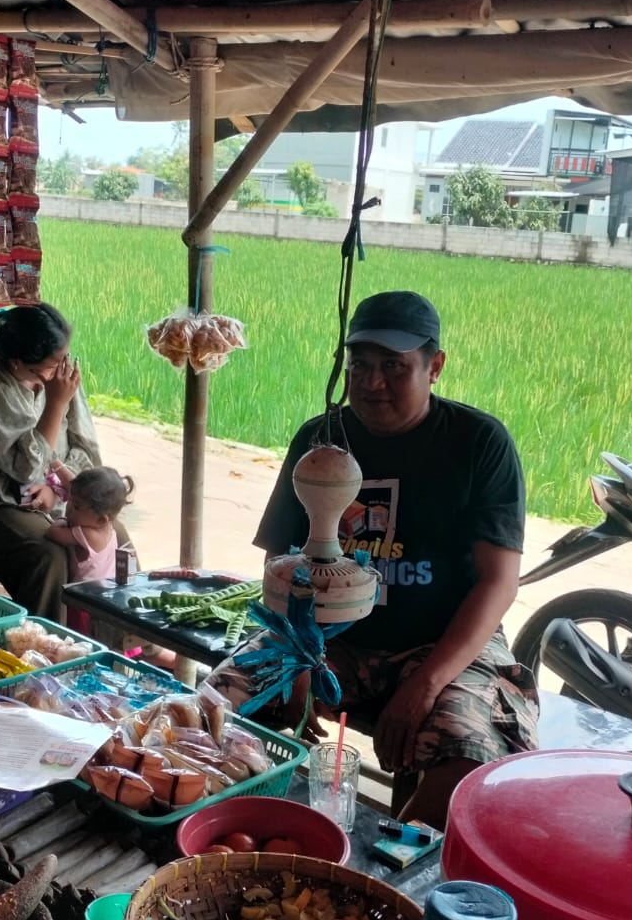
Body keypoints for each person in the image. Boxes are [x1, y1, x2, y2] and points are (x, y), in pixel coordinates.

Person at [210, 291, 538, 829]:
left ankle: (389, 864)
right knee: (215, 707)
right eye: (359, 364)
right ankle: (242, 835)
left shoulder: (479, 443)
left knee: (472, 762)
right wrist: (298, 658)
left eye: (393, 366)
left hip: (443, 642)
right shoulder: (320, 439)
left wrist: (424, 685)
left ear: (435, 366)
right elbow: (283, 561)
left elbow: (498, 582)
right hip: (329, 639)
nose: (371, 382)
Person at [0, 304, 115, 619]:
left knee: (113, 536)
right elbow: (26, 468)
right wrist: (55, 404)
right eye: (50, 366)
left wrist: (57, 490)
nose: (59, 372)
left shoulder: (60, 377)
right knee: (48, 556)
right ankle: (43, 641)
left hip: (55, 496)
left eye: (64, 360)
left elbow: (87, 451)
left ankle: (117, 638)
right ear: (18, 363)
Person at [46, 465, 133, 633]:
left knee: (80, 639)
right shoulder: (108, 529)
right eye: (70, 500)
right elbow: (72, 484)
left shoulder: (87, 534)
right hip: (106, 598)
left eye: (76, 506)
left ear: (101, 520)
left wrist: (62, 521)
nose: (69, 508)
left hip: (84, 604)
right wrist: (58, 467)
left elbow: (53, 533)